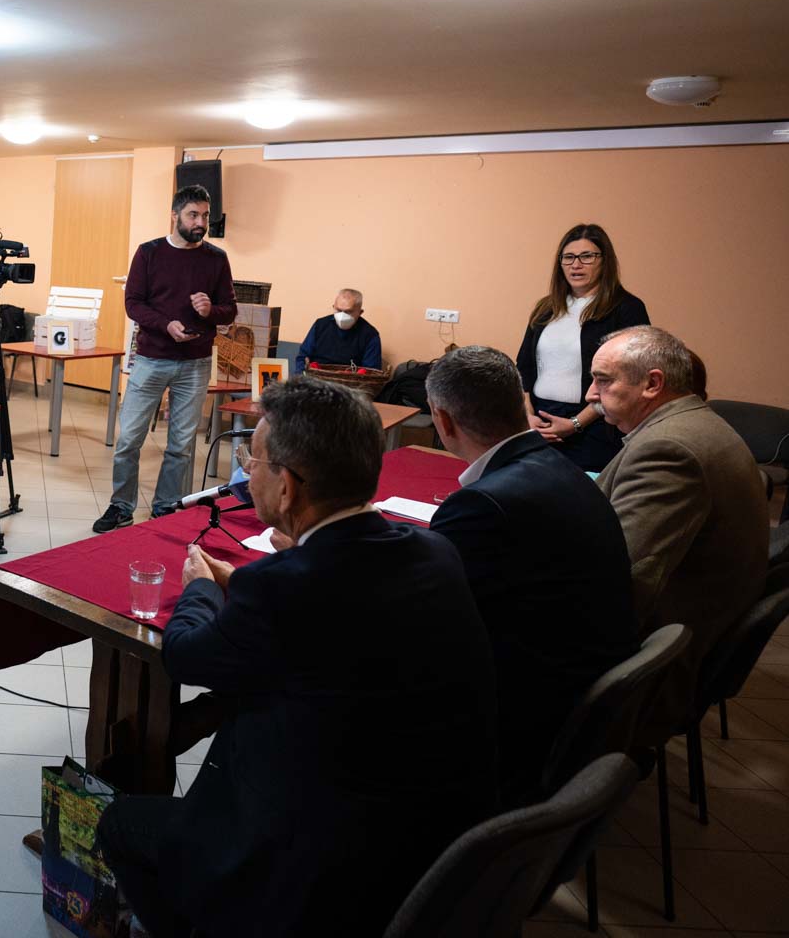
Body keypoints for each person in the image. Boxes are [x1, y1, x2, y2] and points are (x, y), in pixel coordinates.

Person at [95, 376, 497, 938]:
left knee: (121, 824)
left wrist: (201, 588)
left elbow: (187, 657)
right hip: (436, 833)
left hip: (317, 859)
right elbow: (329, 608)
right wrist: (256, 578)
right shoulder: (434, 550)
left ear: (285, 488)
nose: (246, 472)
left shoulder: (283, 587)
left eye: (252, 462)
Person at [426, 345, 638, 804]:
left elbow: (430, 624)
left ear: (442, 421)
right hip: (586, 703)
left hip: (525, 722)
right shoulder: (559, 468)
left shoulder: (484, 504)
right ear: (517, 404)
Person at [588, 325, 767, 731]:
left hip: (656, 661)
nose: (590, 395)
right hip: (687, 628)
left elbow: (619, 579)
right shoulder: (693, 423)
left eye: (603, 380)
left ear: (652, 384)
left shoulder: (668, 448)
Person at [94, 185, 235, 532]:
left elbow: (229, 310)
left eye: (205, 216)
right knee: (129, 439)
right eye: (193, 215)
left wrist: (210, 310)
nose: (200, 222)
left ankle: (166, 506)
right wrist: (165, 325)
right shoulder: (149, 253)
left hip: (195, 364)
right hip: (151, 359)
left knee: (181, 445)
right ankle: (121, 506)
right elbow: (133, 303)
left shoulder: (216, 259)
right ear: (174, 216)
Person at [516, 224, 649, 472]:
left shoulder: (626, 309)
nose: (576, 265)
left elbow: (628, 377)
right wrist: (528, 416)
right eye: (568, 257)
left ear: (604, 261)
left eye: (587, 256)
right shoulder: (546, 307)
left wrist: (575, 423)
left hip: (595, 426)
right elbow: (523, 367)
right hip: (540, 423)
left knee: (581, 493)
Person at [294, 287, 381, 373]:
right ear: (333, 307)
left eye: (348, 312)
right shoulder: (320, 325)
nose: (342, 316)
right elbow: (302, 357)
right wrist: (302, 376)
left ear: (360, 312)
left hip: (349, 380)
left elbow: (371, 372)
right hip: (315, 378)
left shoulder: (370, 335)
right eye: (338, 310)